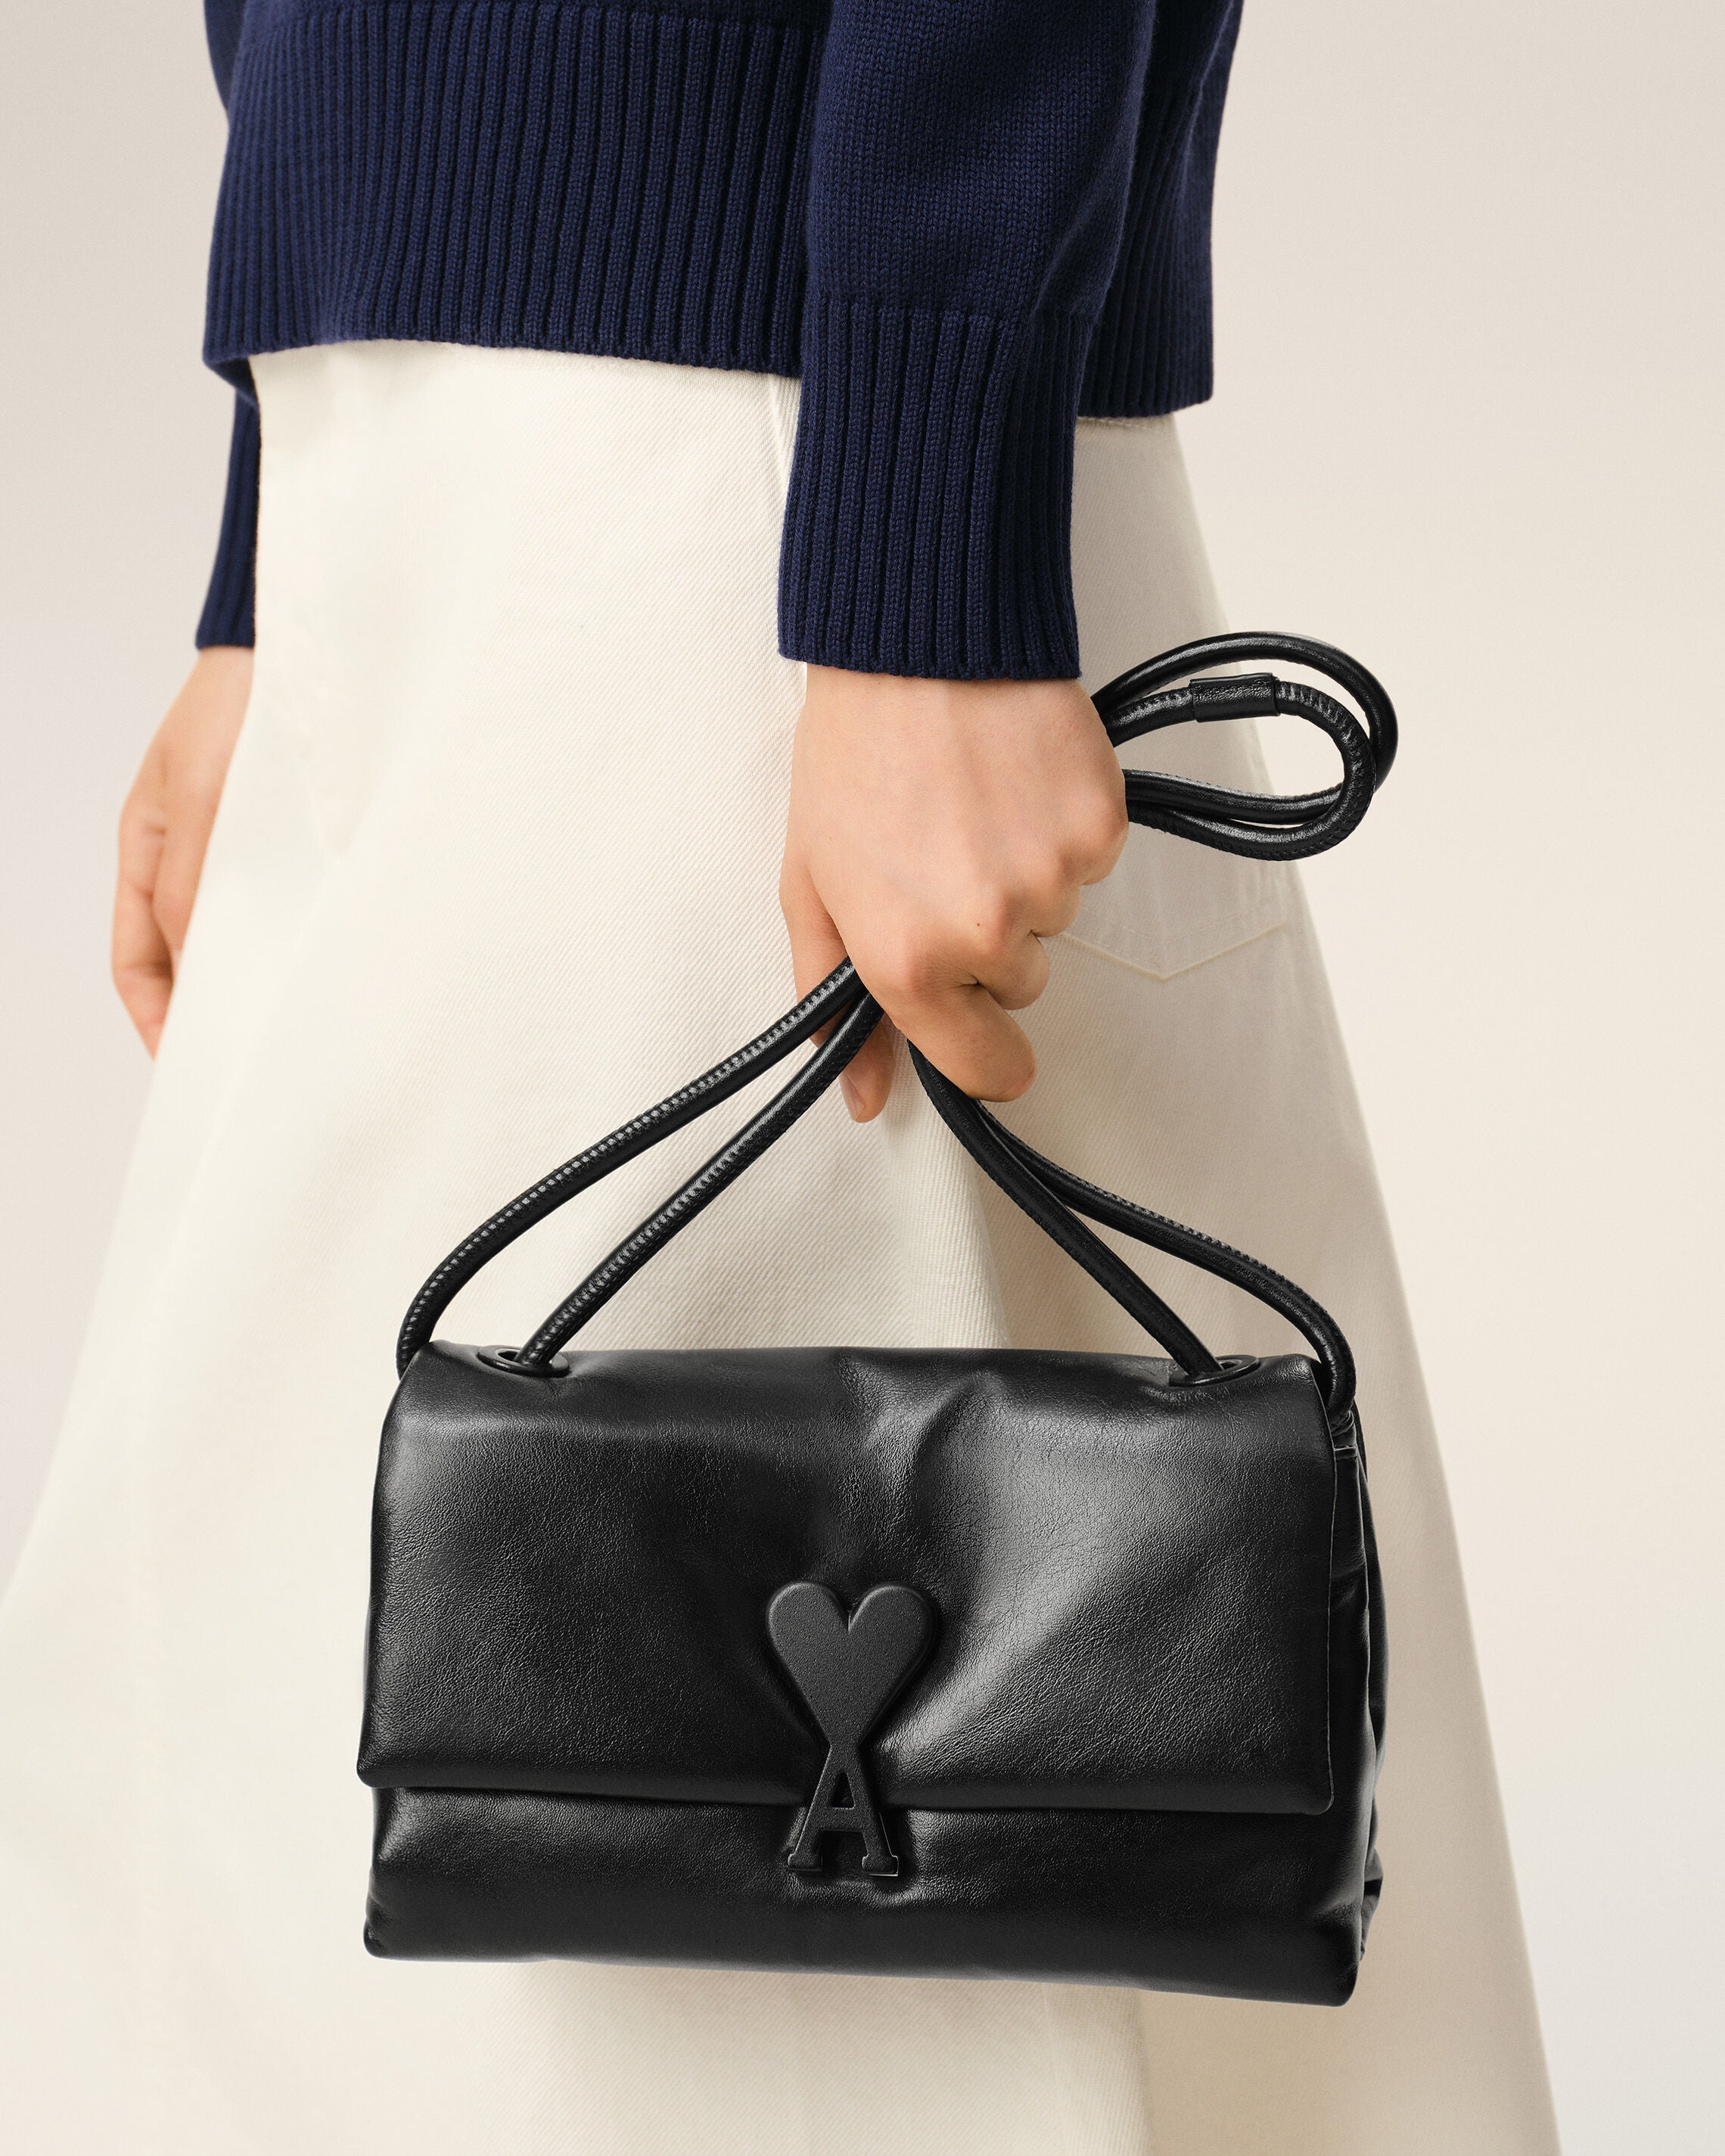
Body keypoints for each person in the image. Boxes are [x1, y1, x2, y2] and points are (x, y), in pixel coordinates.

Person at [0, 3, 1562, 2151]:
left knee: (743, 2044)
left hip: (765, 472)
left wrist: (927, 534)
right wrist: (276, 523)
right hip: (472, 457)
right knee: (250, 1859)